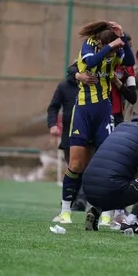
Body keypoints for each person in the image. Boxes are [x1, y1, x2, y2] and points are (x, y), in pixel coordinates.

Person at [53, 21, 135, 224]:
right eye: (106, 50)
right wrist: (110, 47)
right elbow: (88, 63)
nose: (109, 57)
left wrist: (122, 38)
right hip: (83, 111)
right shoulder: (90, 45)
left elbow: (130, 62)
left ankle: (106, 215)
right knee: (76, 164)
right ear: (98, 42)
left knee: (107, 165)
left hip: (104, 113)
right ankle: (65, 212)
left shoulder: (116, 47)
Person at [47, 65, 87, 211]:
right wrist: (52, 125)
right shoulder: (64, 86)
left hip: (87, 134)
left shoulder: (93, 85)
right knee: (73, 167)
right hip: (68, 136)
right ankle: (71, 198)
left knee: (85, 167)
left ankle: (82, 199)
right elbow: (53, 107)